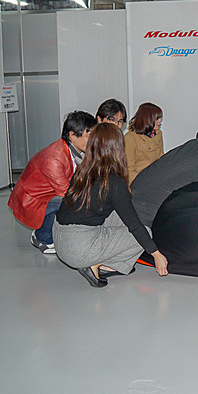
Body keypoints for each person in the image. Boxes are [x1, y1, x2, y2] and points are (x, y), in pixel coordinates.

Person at [53, 123, 168, 287]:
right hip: (78, 248)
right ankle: (97, 265)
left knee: (119, 216)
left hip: (59, 238)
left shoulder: (82, 170)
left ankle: (101, 262)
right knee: (144, 233)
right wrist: (156, 254)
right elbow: (134, 225)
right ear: (117, 147)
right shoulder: (113, 182)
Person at [7, 111, 96, 254]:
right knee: (69, 202)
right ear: (72, 135)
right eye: (89, 135)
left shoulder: (73, 150)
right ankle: (42, 237)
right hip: (31, 200)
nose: (93, 139)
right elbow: (66, 193)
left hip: (46, 194)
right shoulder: (54, 158)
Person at [124, 102, 164, 183]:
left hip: (156, 179)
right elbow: (129, 170)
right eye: (157, 118)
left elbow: (161, 159)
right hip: (139, 182)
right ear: (147, 119)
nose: (160, 121)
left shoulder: (158, 134)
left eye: (160, 118)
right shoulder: (130, 138)